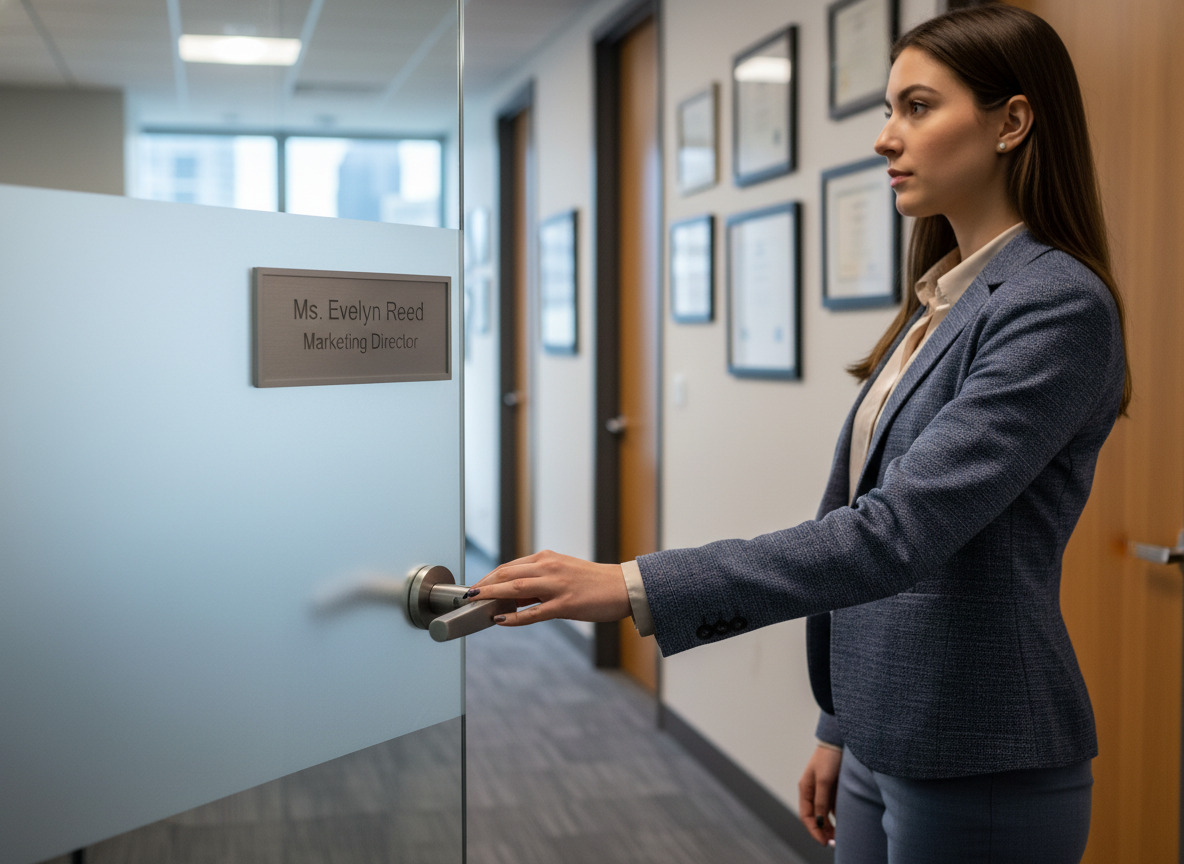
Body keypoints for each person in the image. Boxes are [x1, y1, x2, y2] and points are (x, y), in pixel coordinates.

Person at [468, 6, 1130, 862]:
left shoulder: (1057, 305)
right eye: (888, 110)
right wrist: (837, 722)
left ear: (1011, 121)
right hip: (877, 728)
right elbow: (866, 517)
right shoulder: (940, 300)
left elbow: (895, 535)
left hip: (978, 749)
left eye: (918, 108)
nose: (887, 139)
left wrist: (632, 584)